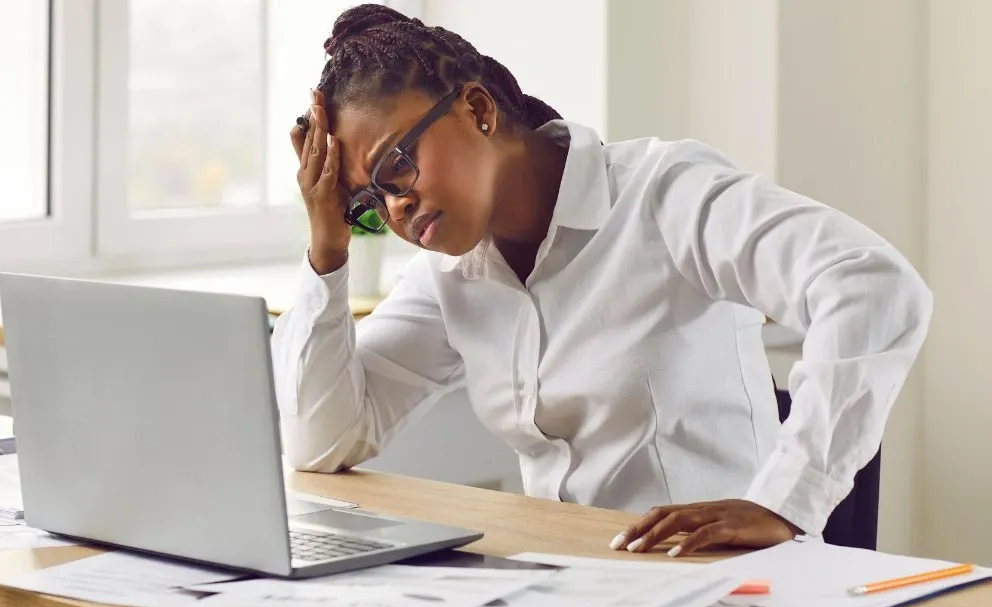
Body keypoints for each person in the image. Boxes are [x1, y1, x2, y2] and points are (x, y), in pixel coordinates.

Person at [272, 4, 931, 557]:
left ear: (477, 108)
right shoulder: (450, 271)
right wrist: (327, 249)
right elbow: (321, 442)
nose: (393, 208)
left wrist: (785, 501)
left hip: (726, 585)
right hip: (571, 588)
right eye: (366, 202)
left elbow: (871, 283)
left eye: (395, 166)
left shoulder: (663, 197)